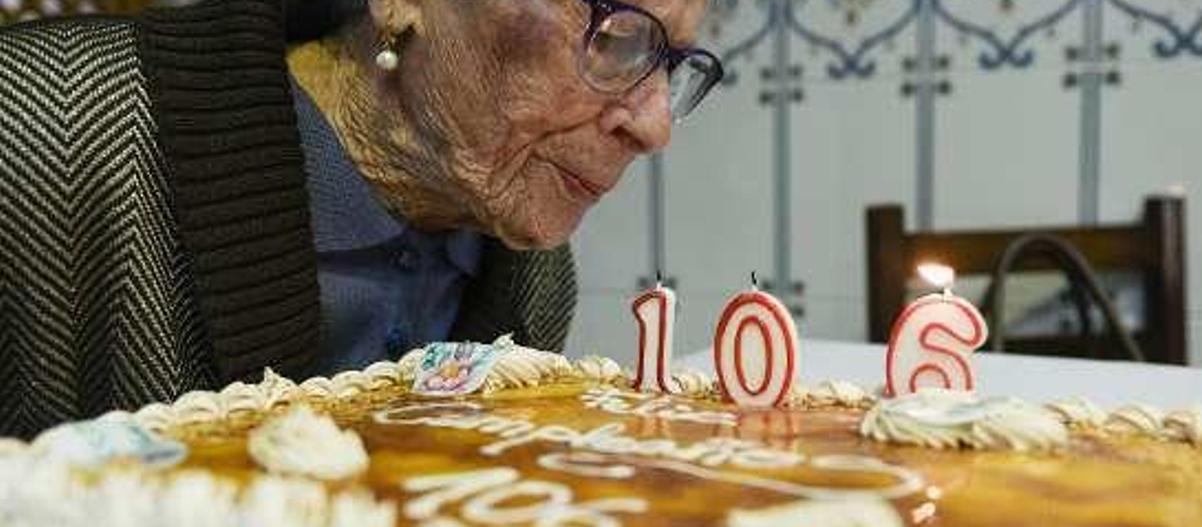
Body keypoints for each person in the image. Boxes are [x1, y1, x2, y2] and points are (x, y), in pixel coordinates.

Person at [0, 0, 721, 437]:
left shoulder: (528, 279)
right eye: (612, 34)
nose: (656, 127)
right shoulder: (38, 132)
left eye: (676, 63)